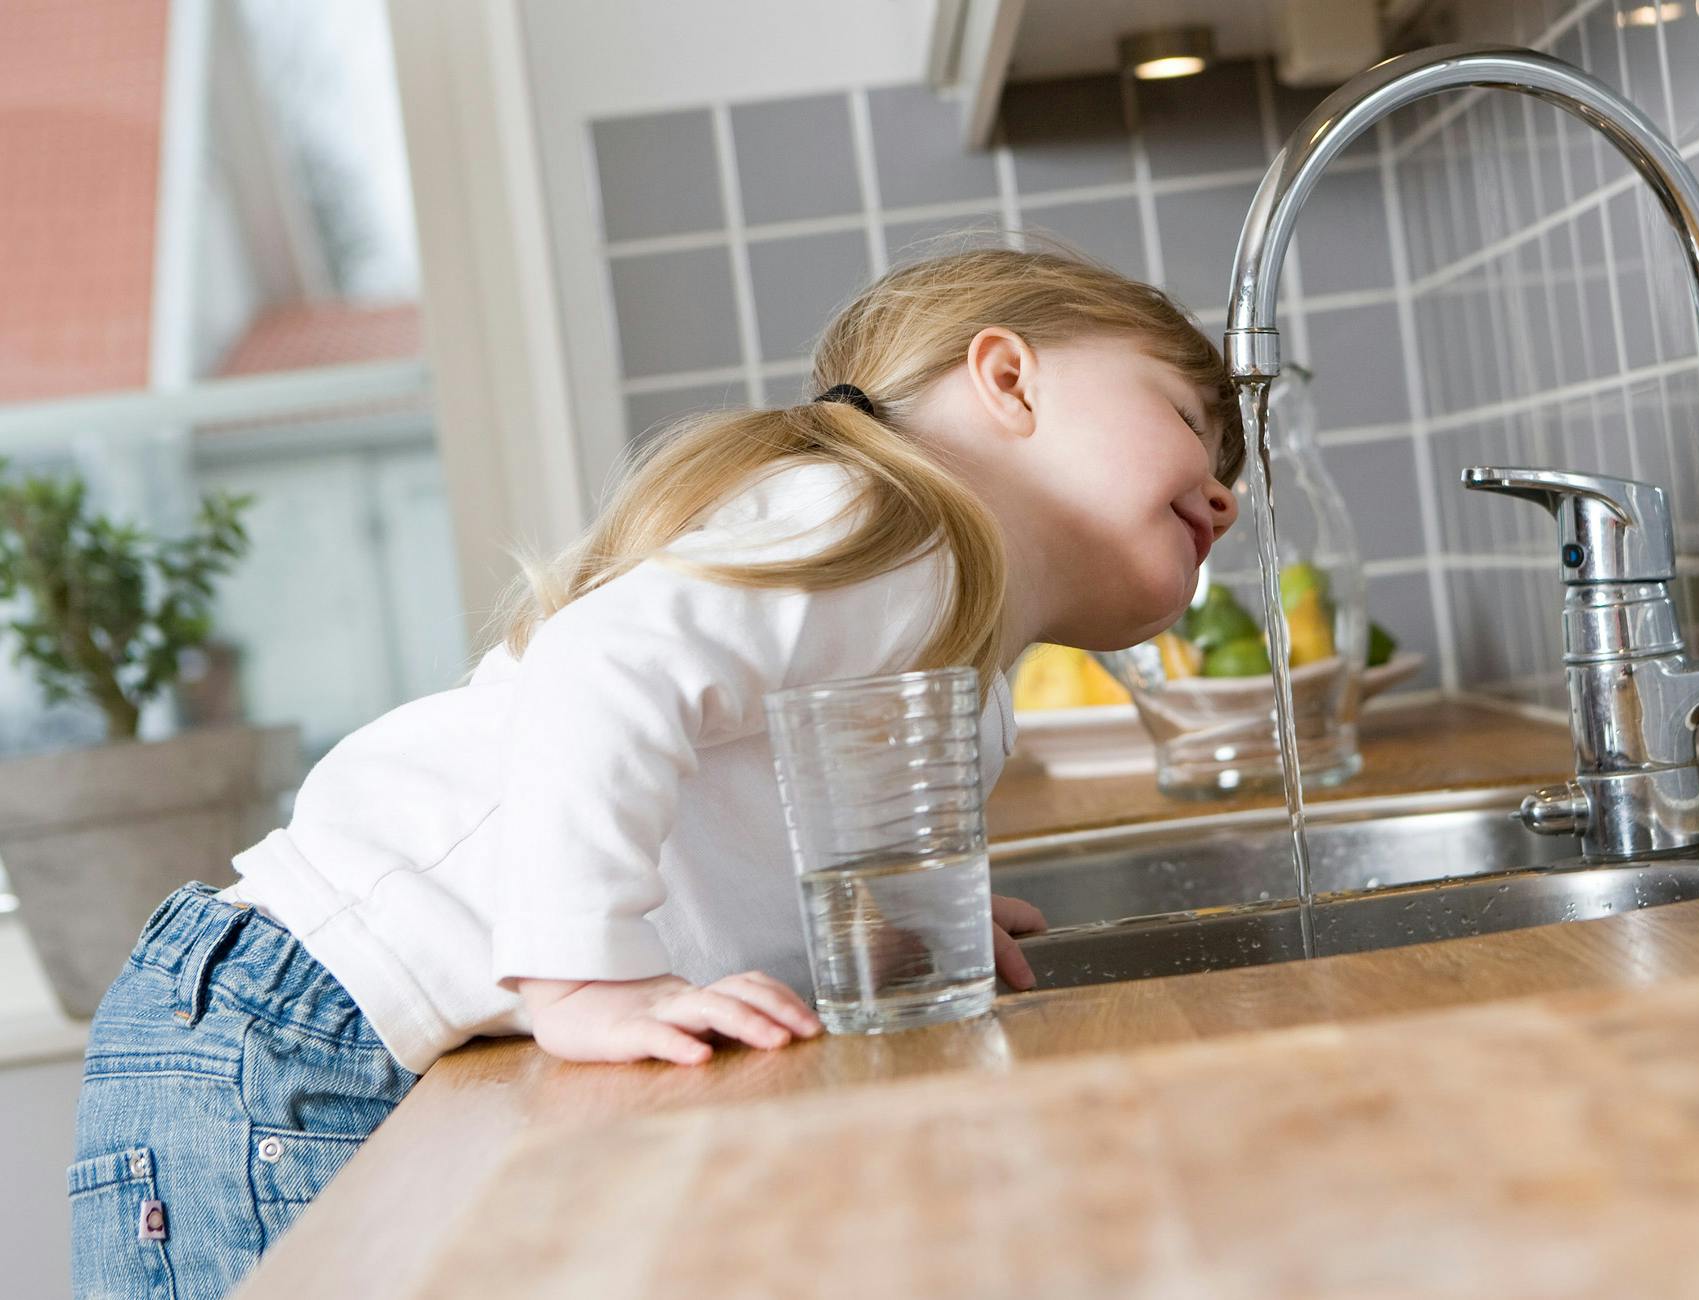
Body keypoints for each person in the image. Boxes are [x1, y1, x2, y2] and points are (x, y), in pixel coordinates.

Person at [67, 244, 1244, 1297]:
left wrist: (892, 920)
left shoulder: (956, 664)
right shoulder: (894, 526)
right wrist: (586, 977)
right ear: (1008, 378)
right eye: (1193, 419)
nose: (1229, 490)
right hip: (293, 1019)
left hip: (318, 1021)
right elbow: (604, 666)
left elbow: (730, 812)